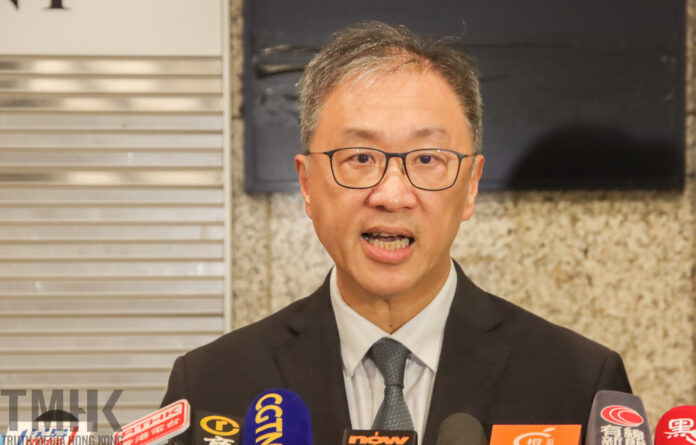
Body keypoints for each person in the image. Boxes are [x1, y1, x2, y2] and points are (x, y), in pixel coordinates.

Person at [161, 21, 631, 445]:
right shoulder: (209, 385)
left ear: (470, 185)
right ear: (306, 184)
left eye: (426, 159)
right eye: (360, 158)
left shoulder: (579, 383)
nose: (391, 194)